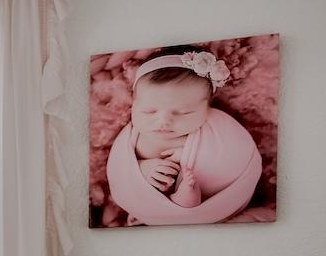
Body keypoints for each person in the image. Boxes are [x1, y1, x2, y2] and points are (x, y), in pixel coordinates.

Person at [104, 49, 261, 225]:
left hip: (212, 196)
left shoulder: (218, 127)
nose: (164, 122)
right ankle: (179, 204)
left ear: (208, 108)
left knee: (196, 182)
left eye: (184, 113)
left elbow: (238, 152)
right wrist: (142, 169)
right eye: (149, 111)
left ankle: (187, 201)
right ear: (133, 104)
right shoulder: (134, 137)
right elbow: (121, 169)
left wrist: (192, 156)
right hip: (151, 200)